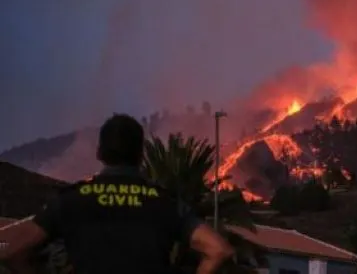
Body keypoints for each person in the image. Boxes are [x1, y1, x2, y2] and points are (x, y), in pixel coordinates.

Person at [0, 114, 234, 274]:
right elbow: (218, 249)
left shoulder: (72, 200)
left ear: (100, 153)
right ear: (141, 154)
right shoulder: (164, 202)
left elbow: (13, 251)